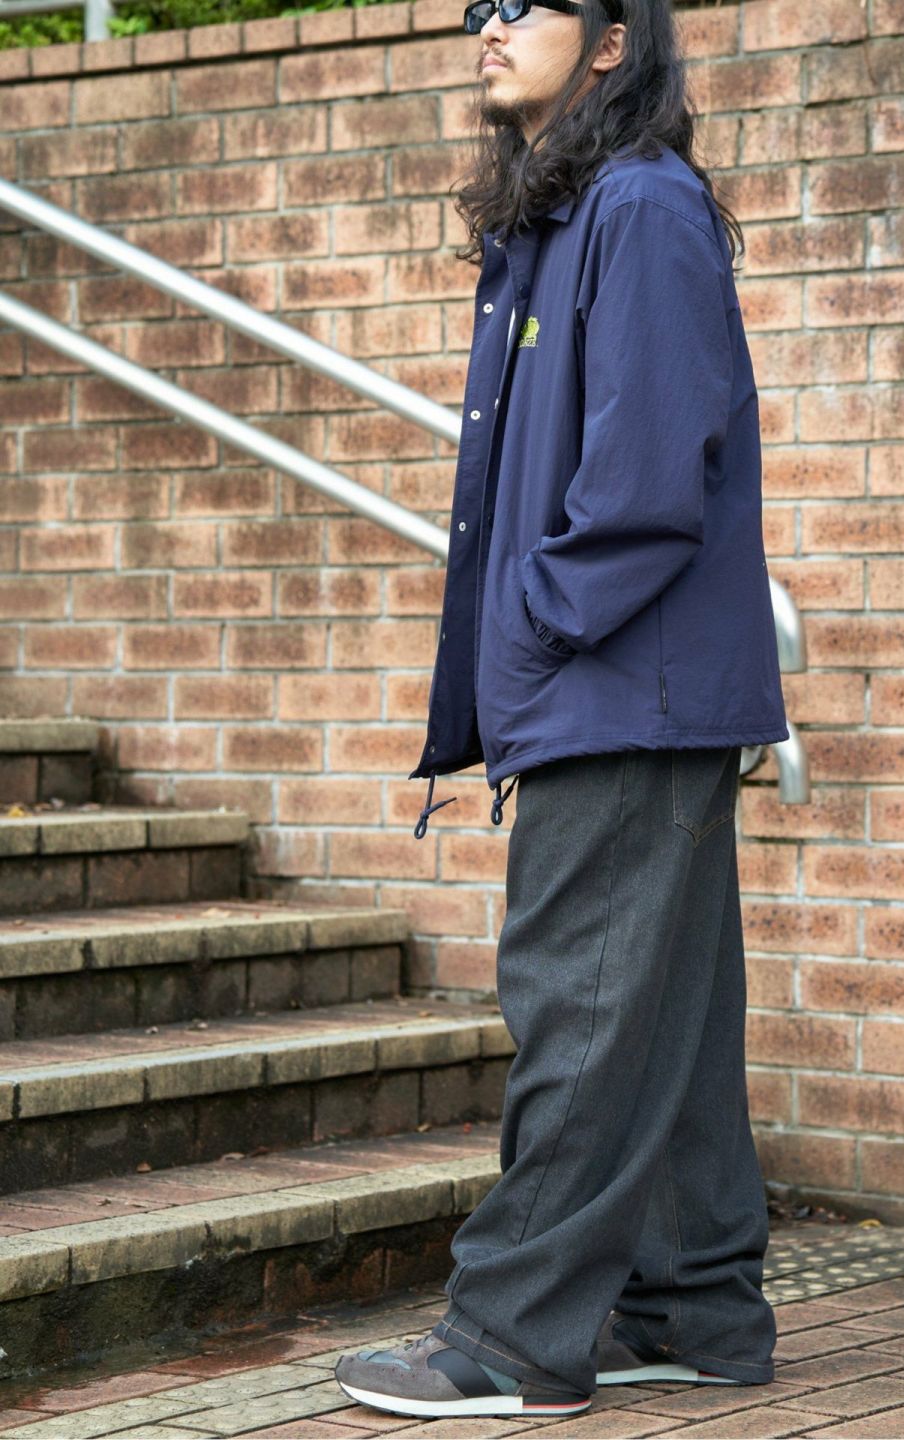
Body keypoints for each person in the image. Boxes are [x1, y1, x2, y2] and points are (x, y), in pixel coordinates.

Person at [334, 0, 788, 1418]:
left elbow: (645, 484)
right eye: (475, 6)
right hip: (629, 689)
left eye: (520, 4)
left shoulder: (638, 209)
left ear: (610, 42)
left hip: (624, 689)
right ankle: (694, 1306)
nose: (486, 24)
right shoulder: (573, 212)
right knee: (668, 1024)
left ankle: (516, 1336)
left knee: (577, 1009)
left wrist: (533, 630)